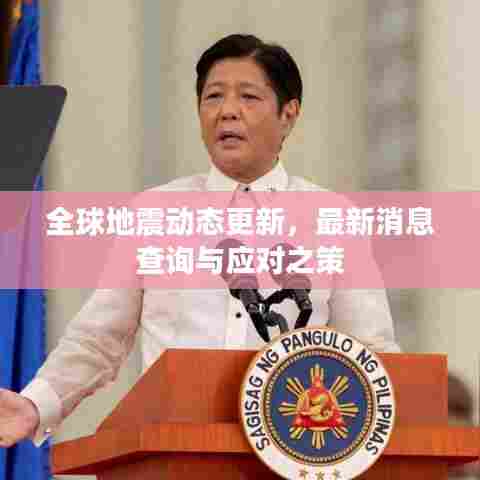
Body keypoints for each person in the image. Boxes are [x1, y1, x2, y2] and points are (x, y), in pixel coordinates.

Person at [0, 34, 399, 449]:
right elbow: (99, 338)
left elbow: (371, 352)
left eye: (248, 97)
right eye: (213, 97)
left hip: (291, 451)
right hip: (171, 454)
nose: (227, 111)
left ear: (288, 114)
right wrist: (35, 404)